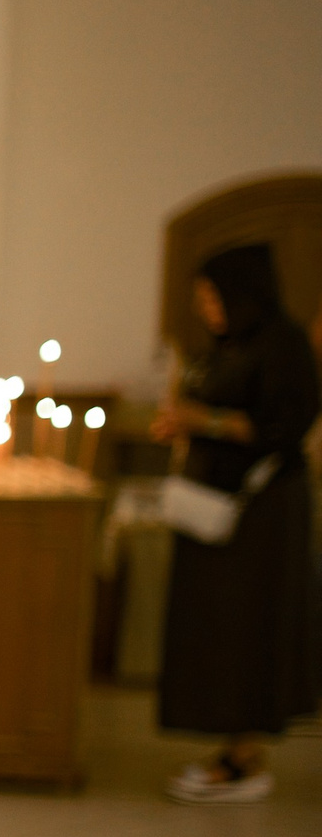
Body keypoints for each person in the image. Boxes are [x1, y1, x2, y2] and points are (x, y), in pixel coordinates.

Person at [153, 242, 319, 803]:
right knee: (216, 629)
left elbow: (284, 425)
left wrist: (206, 420)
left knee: (249, 629)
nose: (206, 307)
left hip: (262, 514)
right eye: (201, 297)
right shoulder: (229, 347)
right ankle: (229, 745)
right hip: (216, 507)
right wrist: (183, 423)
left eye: (213, 296)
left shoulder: (283, 345)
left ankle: (245, 756)